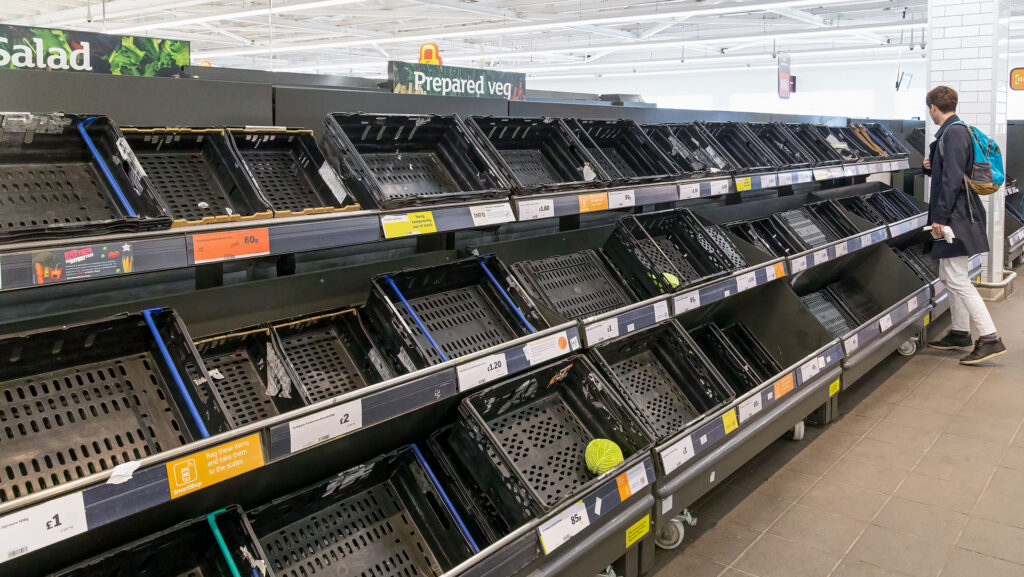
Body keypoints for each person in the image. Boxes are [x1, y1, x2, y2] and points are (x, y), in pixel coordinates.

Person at [922, 85, 1006, 364]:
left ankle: (990, 337)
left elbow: (952, 180)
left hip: (956, 216)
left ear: (934, 108)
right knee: (949, 275)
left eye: (930, 109)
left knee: (957, 278)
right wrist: (930, 165)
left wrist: (940, 218)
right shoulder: (953, 132)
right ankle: (960, 333)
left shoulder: (954, 132)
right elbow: (951, 171)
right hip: (957, 213)